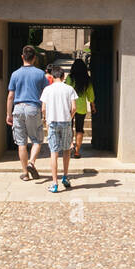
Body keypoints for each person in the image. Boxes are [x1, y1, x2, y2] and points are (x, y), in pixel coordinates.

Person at [6, 45, 48, 179]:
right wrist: (45, 110)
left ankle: (25, 173)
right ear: (34, 58)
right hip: (33, 108)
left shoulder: (15, 74)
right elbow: (46, 93)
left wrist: (8, 114)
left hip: (18, 108)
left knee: (21, 143)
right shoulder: (40, 74)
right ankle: (31, 162)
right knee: (37, 139)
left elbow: (10, 96)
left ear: (22, 57)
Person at [39, 63, 78, 192]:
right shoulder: (69, 89)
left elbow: (43, 108)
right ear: (63, 76)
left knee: (54, 152)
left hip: (53, 122)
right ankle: (65, 177)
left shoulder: (47, 89)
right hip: (66, 122)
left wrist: (46, 119)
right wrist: (70, 117)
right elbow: (74, 108)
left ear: (52, 76)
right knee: (66, 150)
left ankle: (54, 183)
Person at [65, 58, 96, 158]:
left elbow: (66, 92)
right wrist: (93, 106)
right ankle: (77, 151)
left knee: (69, 126)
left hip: (70, 107)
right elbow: (90, 95)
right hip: (81, 108)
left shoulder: (70, 78)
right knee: (79, 128)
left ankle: (70, 145)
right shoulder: (87, 80)